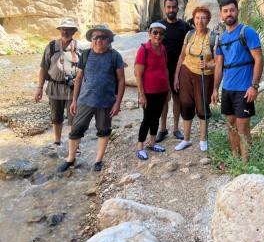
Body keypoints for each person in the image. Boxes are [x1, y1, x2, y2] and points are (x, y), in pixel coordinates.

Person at [58, 25, 125, 172]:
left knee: (104, 131)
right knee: (75, 130)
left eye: (103, 37)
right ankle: (70, 158)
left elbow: (121, 80)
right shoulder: (86, 55)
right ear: (91, 40)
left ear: (109, 40)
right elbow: (79, 78)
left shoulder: (115, 56)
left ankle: (98, 161)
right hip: (85, 100)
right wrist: (74, 100)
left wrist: (118, 103)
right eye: (95, 37)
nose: (99, 40)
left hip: (106, 102)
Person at [212, 0, 263, 162]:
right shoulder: (220, 39)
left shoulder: (247, 32)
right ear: (221, 14)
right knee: (231, 126)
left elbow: (259, 59)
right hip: (227, 89)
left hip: (244, 89)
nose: (229, 14)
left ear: (237, 11)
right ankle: (235, 158)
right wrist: (215, 89)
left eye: (232, 10)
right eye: (225, 11)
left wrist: (254, 86)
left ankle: (246, 164)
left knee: (243, 128)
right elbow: (219, 66)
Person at [35, 17, 81, 150]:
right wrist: (39, 88)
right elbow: (43, 68)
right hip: (54, 87)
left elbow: (84, 70)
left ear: (74, 31)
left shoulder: (79, 47)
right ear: (60, 30)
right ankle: (57, 141)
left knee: (74, 118)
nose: (65, 31)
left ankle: (74, 145)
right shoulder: (50, 46)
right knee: (56, 117)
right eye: (63, 29)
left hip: (73, 89)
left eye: (68, 29)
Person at [174, 6, 215, 152]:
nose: (200, 21)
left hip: (203, 76)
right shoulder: (189, 34)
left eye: (203, 18)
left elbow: (219, 63)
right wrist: (176, 76)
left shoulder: (213, 37)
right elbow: (182, 56)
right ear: (194, 19)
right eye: (197, 18)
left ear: (208, 20)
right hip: (186, 72)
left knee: (202, 106)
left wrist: (209, 65)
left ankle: (203, 139)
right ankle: (186, 139)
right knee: (185, 104)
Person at [155, 0, 190, 143]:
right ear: (164, 8)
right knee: (163, 100)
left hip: (179, 69)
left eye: (173, 7)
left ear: (177, 8)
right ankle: (162, 129)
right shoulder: (158, 27)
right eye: (168, 7)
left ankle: (176, 129)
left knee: (177, 100)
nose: (171, 10)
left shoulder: (184, 26)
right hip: (162, 69)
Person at [134, 22, 170, 160]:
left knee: (156, 117)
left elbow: (165, 69)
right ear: (150, 33)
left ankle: (153, 142)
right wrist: (141, 95)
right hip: (148, 91)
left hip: (161, 90)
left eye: (161, 33)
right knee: (147, 119)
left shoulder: (163, 48)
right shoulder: (144, 49)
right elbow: (138, 74)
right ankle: (140, 147)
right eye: (155, 32)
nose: (158, 35)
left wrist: (168, 90)